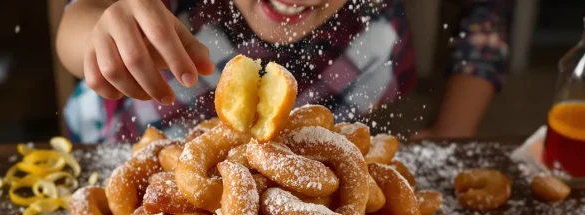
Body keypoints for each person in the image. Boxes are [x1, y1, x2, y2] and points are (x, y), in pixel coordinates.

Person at [56, 0, 508, 143]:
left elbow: (484, 15)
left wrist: (454, 131)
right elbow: (76, 24)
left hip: (349, 78)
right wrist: (100, 34)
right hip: (134, 142)